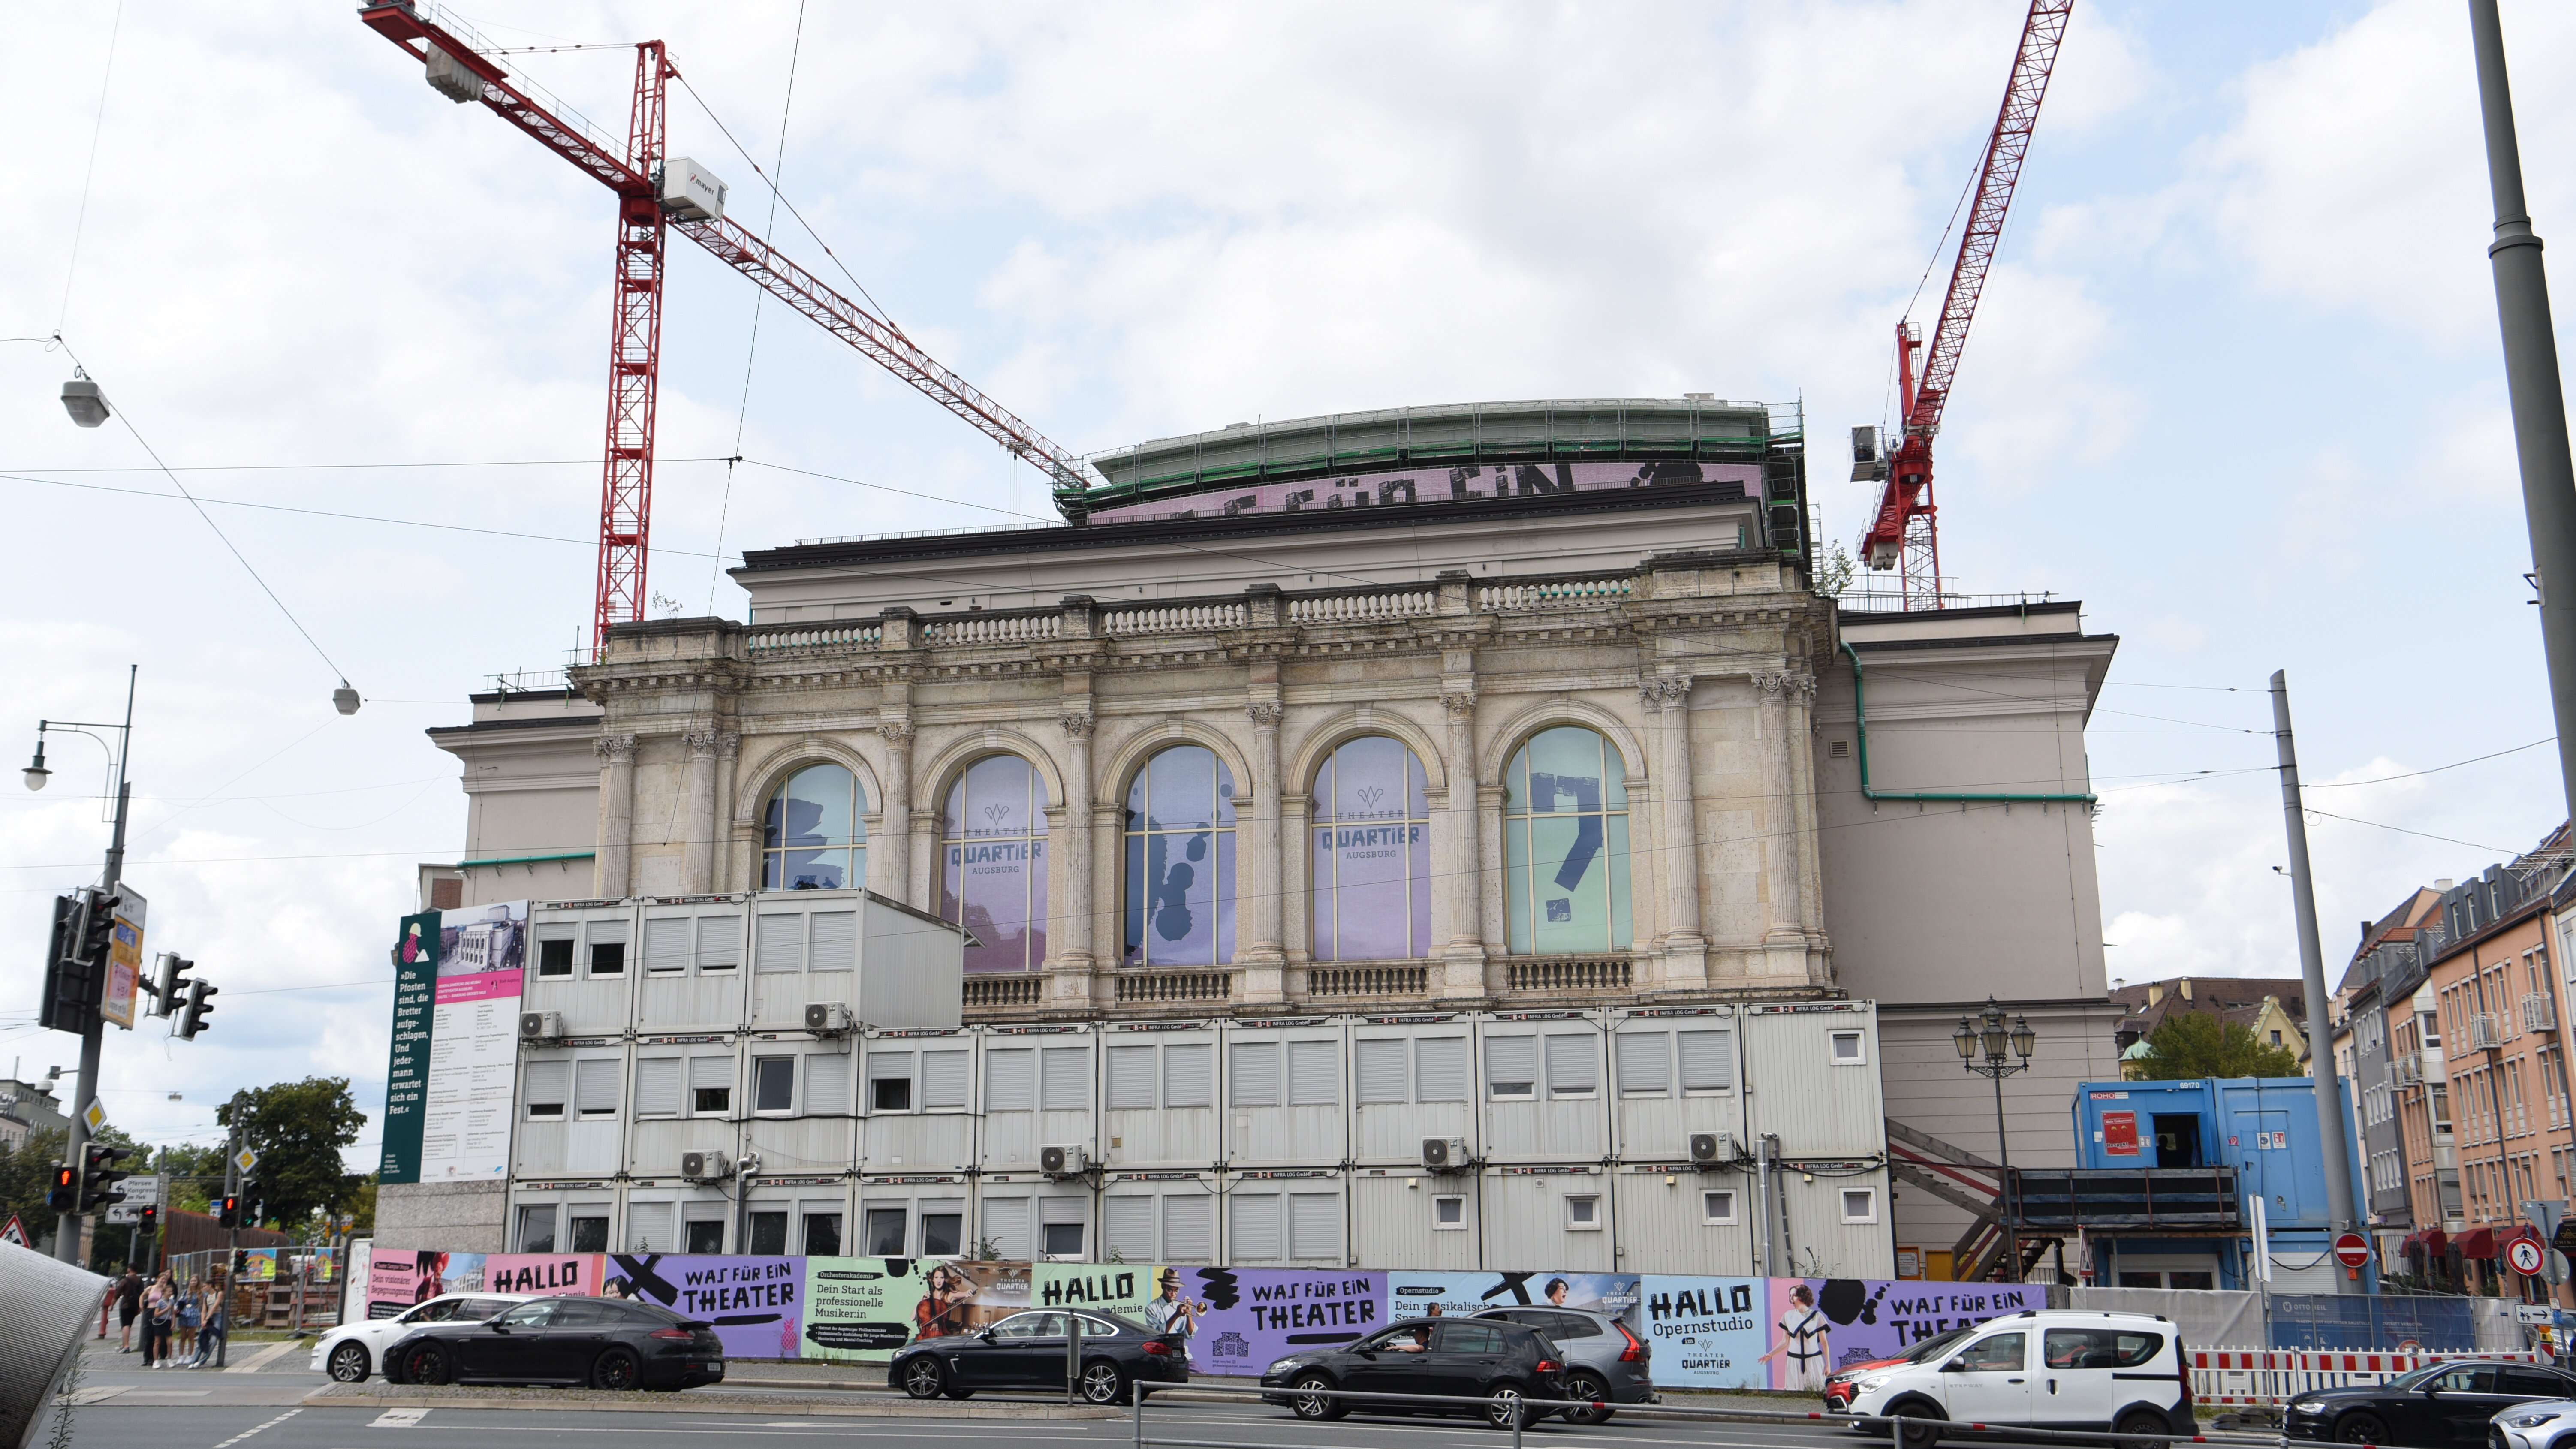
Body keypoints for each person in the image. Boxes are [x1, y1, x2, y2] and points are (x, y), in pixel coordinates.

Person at [1758, 1283, 1829, 1392]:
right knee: (1794, 1393)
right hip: (1794, 1361)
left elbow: (1824, 1342)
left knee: (1817, 1392)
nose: (1791, 1299)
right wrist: (1770, 1354)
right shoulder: (1788, 1316)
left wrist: (1828, 1365)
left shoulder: (1817, 1316)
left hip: (1814, 1360)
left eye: (1794, 1296)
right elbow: (1785, 1341)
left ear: (1803, 1297)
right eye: (1790, 1296)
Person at [1141, 1270, 1204, 1363]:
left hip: (1184, 1354)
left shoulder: (1179, 1306)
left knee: (1199, 1372)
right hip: (1163, 1355)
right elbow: (1159, 1335)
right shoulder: (1152, 1308)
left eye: (1176, 1291)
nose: (1173, 1295)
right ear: (1163, 1287)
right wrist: (1176, 1315)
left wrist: (1189, 1315)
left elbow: (1190, 1335)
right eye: (1170, 1290)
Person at [175, 1280, 203, 1366]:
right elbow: (180, 1302)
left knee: (191, 1337)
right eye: (192, 1281)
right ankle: (181, 1356)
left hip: (194, 1315)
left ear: (198, 1282)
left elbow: (203, 1300)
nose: (193, 1282)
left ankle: (190, 1356)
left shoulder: (200, 1293)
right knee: (183, 1337)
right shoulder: (186, 1292)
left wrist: (197, 1305)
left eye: (195, 1281)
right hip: (184, 1314)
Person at [116, 1270, 142, 1352]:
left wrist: (112, 1305)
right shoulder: (140, 1281)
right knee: (129, 1325)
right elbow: (142, 1293)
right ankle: (123, 1344)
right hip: (135, 1305)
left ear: (129, 1270)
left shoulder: (126, 1280)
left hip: (126, 1305)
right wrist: (139, 1307)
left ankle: (126, 1346)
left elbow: (118, 1292)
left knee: (125, 1325)